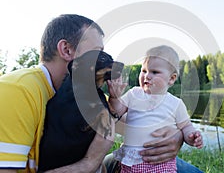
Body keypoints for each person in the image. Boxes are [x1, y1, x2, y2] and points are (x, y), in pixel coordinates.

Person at [0, 14, 201, 173]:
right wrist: (88, 165)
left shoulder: (87, 95)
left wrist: (178, 135)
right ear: (67, 50)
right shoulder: (16, 91)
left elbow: (130, 123)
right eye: (98, 51)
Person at [108, 45, 203, 172]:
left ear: (171, 78)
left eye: (154, 72)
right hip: (131, 161)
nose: (147, 76)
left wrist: (191, 136)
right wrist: (114, 97)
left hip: (161, 164)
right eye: (144, 71)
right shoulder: (134, 94)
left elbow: (186, 126)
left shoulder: (175, 103)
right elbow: (116, 111)